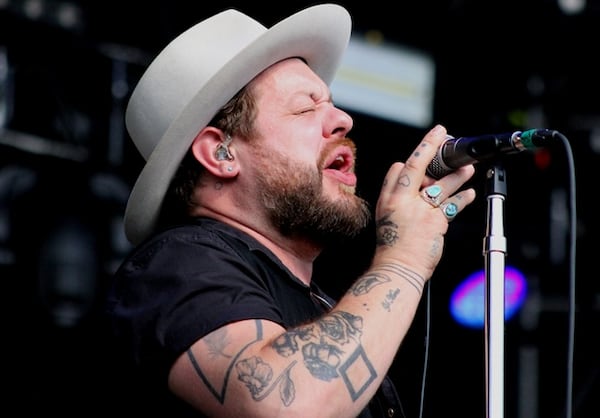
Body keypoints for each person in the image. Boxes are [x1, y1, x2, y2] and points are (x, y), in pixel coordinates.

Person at [106, 4, 476, 417]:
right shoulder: (176, 265)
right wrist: (402, 259)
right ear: (221, 152)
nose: (343, 120)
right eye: (305, 108)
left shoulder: (318, 301)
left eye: (332, 103)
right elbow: (289, 408)